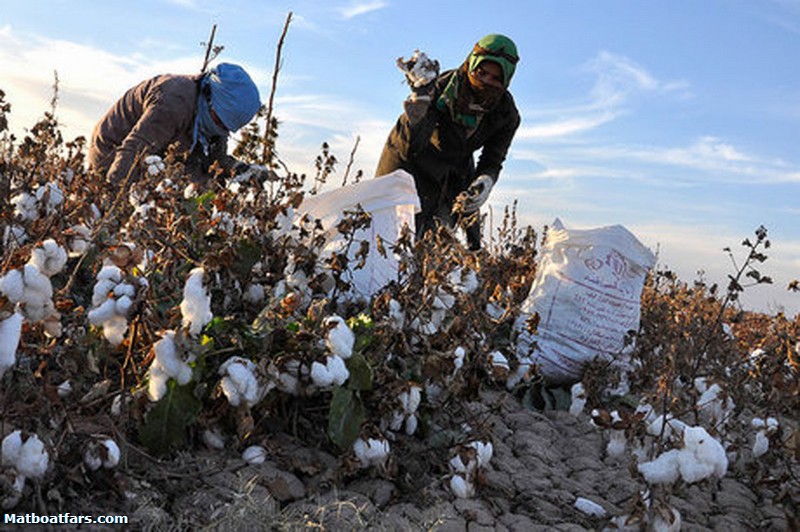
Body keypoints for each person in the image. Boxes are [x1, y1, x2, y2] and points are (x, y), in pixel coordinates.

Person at [376, 34, 521, 250]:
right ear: (471, 64)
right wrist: (419, 105)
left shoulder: (506, 114)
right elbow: (411, 147)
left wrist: (486, 180)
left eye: (495, 78)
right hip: (408, 166)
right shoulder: (439, 90)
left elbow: (493, 159)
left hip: (453, 176)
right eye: (481, 73)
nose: (486, 82)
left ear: (506, 79)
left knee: (437, 251)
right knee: (390, 244)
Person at [88, 62, 261, 186]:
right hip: (111, 152)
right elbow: (133, 151)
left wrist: (242, 171)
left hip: (157, 154)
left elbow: (214, 162)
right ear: (209, 98)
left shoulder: (213, 120)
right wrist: (113, 207)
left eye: (226, 127)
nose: (220, 129)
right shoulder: (173, 101)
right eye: (219, 121)